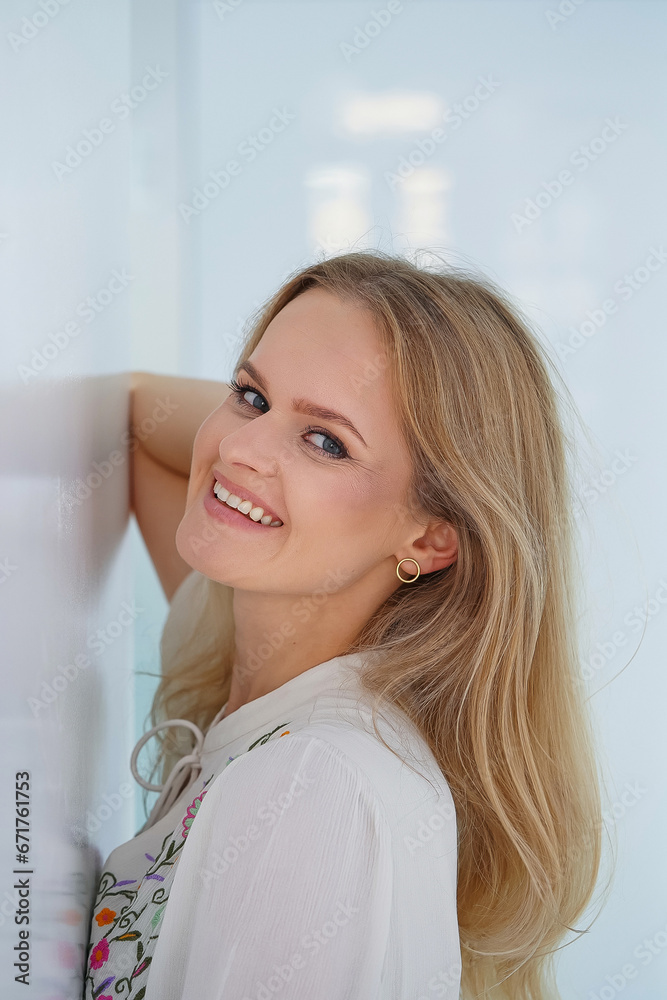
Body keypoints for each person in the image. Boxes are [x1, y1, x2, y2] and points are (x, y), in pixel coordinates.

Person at [82, 250, 603, 1000]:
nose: (237, 448)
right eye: (249, 396)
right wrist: (301, 418)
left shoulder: (314, 785)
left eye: (326, 443)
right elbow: (139, 421)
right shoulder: (247, 647)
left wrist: (282, 404)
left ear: (428, 538)